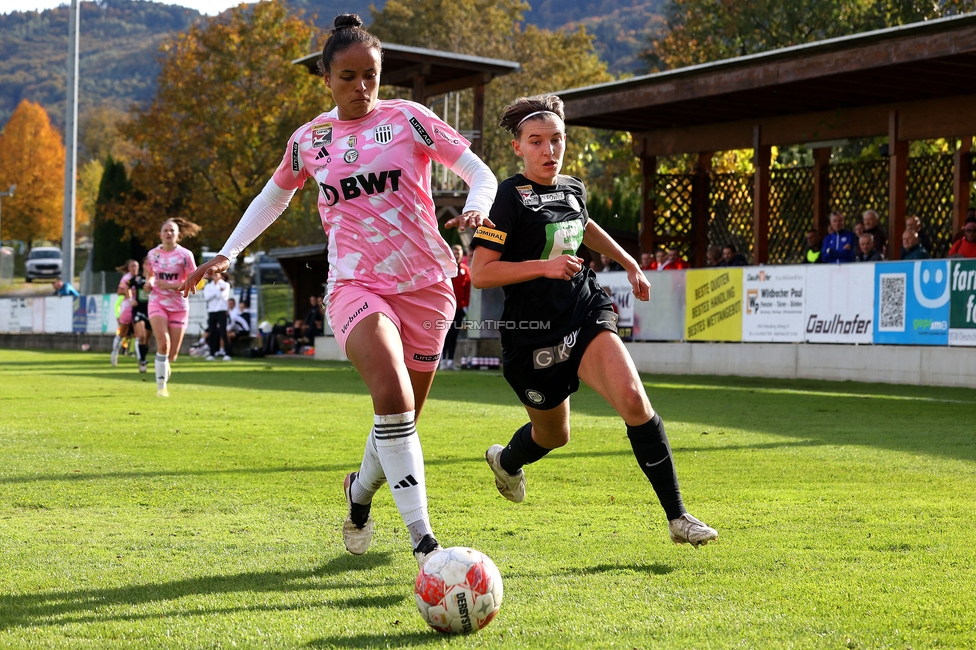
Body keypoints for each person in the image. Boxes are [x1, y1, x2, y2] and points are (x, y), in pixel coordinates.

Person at [179, 14, 497, 567]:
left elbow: (481, 173)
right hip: (356, 285)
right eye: (348, 76)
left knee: (399, 419)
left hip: (428, 286)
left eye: (370, 74)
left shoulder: (409, 120)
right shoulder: (310, 139)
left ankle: (359, 494)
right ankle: (426, 543)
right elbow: (271, 198)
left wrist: (478, 208)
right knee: (393, 397)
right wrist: (228, 252)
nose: (361, 87)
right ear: (326, 78)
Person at [470, 94, 717, 548]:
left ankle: (678, 517)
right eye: (537, 141)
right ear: (518, 148)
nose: (549, 150)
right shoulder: (506, 197)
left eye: (557, 139)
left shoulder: (573, 188)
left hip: (584, 311)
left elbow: (584, 225)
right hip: (531, 338)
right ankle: (506, 461)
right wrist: (542, 267)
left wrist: (627, 261)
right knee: (553, 436)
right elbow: (480, 272)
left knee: (633, 399)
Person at [147, 218, 199, 397]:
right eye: (166, 230)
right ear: (160, 234)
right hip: (157, 301)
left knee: (172, 354)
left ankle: (165, 367)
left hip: (179, 305)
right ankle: (161, 387)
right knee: (163, 344)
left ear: (178, 235)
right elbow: (151, 275)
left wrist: (170, 286)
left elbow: (194, 283)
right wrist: (149, 283)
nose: (169, 233)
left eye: (172, 231)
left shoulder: (185, 255)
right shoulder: (153, 254)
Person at [441, 244, 470, 370]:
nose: (456, 255)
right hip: (444, 309)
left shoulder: (465, 270)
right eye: (454, 253)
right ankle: (441, 361)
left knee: (454, 335)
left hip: (458, 310)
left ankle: (451, 362)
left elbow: (467, 290)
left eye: (459, 253)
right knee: (443, 335)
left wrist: (465, 307)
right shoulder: (445, 269)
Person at [111, 259, 140, 366]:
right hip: (127, 308)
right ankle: (114, 353)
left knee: (138, 334)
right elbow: (120, 291)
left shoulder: (139, 278)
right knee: (123, 333)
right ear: (128, 268)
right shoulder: (126, 278)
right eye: (132, 266)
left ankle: (140, 358)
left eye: (136, 266)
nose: (135, 268)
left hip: (137, 309)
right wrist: (130, 294)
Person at [129, 257, 153, 373]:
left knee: (147, 339)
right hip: (138, 310)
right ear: (143, 265)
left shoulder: (154, 279)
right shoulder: (136, 279)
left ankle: (143, 357)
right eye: (146, 264)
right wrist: (130, 299)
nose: (148, 266)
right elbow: (126, 287)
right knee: (142, 335)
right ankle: (142, 361)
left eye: (150, 264)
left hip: (151, 311)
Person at [203, 271, 231, 361]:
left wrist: (217, 292)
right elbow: (207, 297)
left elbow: (222, 296)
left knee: (223, 332)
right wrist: (218, 291)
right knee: (212, 332)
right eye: (213, 275)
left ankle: (227, 353)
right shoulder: (208, 286)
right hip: (212, 311)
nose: (215, 276)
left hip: (221, 311)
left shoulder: (225, 285)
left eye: (217, 274)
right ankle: (212, 353)